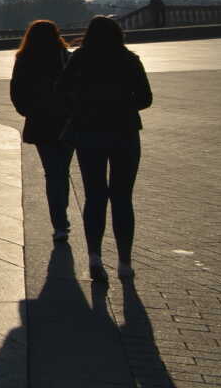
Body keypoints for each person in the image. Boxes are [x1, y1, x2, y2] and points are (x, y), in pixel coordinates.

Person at [59, 15, 152, 283]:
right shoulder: (129, 60)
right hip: (124, 133)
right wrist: (121, 103)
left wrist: (82, 106)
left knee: (95, 196)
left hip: (88, 133)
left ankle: (94, 258)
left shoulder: (79, 58)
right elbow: (145, 98)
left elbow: (61, 89)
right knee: (122, 197)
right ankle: (125, 262)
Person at [10, 18, 74, 239]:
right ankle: (62, 219)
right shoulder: (65, 56)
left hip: (40, 122)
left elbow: (16, 91)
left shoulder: (24, 59)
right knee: (62, 172)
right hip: (66, 121)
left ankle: (59, 223)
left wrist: (29, 112)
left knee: (51, 173)